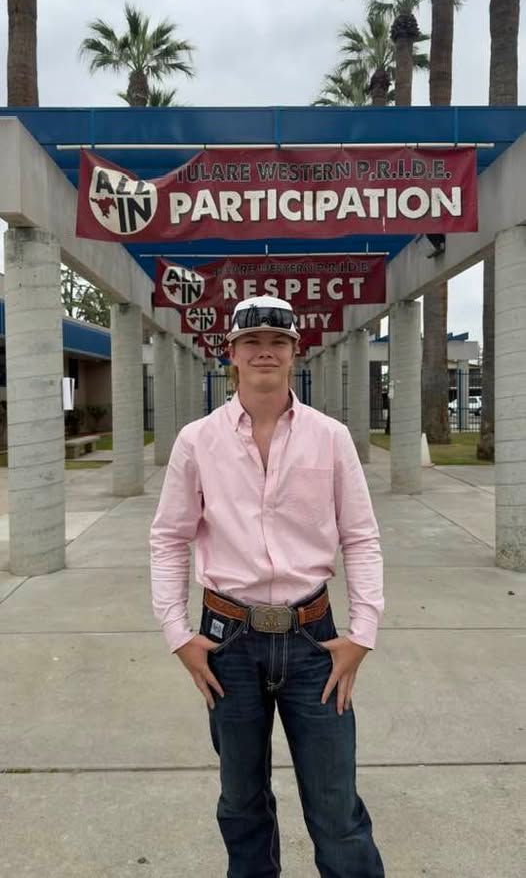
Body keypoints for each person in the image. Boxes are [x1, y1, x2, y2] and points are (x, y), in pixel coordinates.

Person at [150, 294, 385, 877]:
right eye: (251, 342)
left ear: (292, 351)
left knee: (336, 807)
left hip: (315, 642)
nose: (264, 352)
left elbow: (361, 537)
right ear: (231, 352)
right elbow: (168, 537)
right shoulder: (195, 441)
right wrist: (177, 633)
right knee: (241, 801)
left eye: (277, 343)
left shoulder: (331, 437)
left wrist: (365, 631)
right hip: (227, 641)